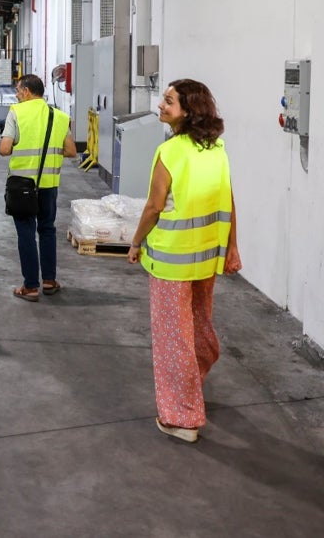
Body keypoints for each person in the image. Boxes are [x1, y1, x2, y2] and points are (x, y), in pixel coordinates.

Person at [127, 79, 241, 443]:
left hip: (172, 262)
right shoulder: (217, 150)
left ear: (188, 112)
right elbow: (229, 202)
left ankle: (182, 418)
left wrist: (135, 242)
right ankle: (200, 366)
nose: (161, 105)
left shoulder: (171, 153)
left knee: (172, 340)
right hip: (205, 260)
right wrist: (231, 248)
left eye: (169, 101)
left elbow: (153, 207)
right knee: (197, 325)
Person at [0, 73, 77, 301]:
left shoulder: (16, 112)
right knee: (47, 229)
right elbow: (71, 151)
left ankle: (31, 286)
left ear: (26, 91)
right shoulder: (60, 116)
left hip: (22, 185)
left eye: (18, 90)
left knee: (26, 233)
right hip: (49, 184)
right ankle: (50, 281)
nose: (16, 94)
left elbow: (4, 149)